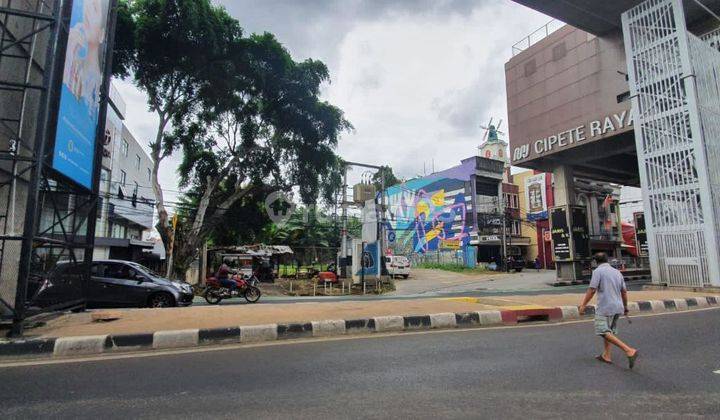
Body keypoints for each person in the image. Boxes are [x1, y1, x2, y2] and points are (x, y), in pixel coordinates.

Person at [579, 252, 639, 369]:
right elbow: (624, 292)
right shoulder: (617, 272)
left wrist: (583, 305)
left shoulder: (598, 272)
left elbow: (592, 290)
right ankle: (607, 355)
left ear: (595, 262)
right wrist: (625, 307)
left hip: (605, 307)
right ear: (607, 260)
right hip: (618, 307)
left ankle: (629, 350)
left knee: (602, 331)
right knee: (609, 332)